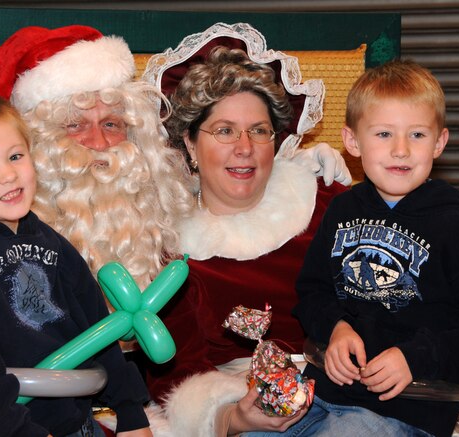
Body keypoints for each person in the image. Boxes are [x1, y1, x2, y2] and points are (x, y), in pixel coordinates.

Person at [0, 24, 350, 436]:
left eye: (115, 124)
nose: (101, 144)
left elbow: (238, 177)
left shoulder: (159, 202)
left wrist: (302, 170)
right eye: (76, 125)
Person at [138, 23, 350, 436]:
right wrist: (233, 418)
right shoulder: (170, 249)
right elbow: (177, 375)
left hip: (349, 396)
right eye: (224, 131)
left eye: (259, 130)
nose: (245, 147)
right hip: (250, 411)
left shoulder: (325, 205)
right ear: (189, 144)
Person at [0, 90, 151, 436]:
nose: (8, 175)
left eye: (15, 156)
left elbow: (97, 329)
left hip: (77, 423)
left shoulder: (50, 242)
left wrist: (132, 413)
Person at [292, 60, 459, 437]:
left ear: (439, 143)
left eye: (417, 135)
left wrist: (416, 359)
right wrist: (336, 327)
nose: (401, 150)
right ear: (352, 141)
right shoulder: (341, 210)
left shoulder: (449, 228)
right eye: (384, 134)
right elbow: (312, 290)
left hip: (409, 409)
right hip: (323, 390)